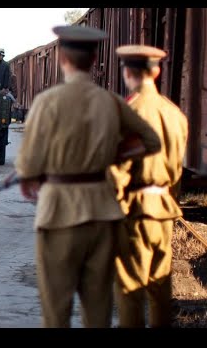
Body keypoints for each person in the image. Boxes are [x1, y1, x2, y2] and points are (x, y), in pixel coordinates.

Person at [14, 25, 162, 328]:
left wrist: (31, 177)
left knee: (56, 309)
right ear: (95, 59)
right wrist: (117, 154)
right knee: (98, 308)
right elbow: (151, 141)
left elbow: (28, 164)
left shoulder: (47, 101)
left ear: (62, 59)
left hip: (58, 212)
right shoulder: (111, 101)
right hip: (103, 211)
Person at [111, 45, 189, 328]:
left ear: (128, 72)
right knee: (160, 289)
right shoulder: (175, 114)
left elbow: (118, 171)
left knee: (130, 290)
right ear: (156, 72)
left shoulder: (128, 112)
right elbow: (178, 172)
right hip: (164, 210)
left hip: (134, 212)